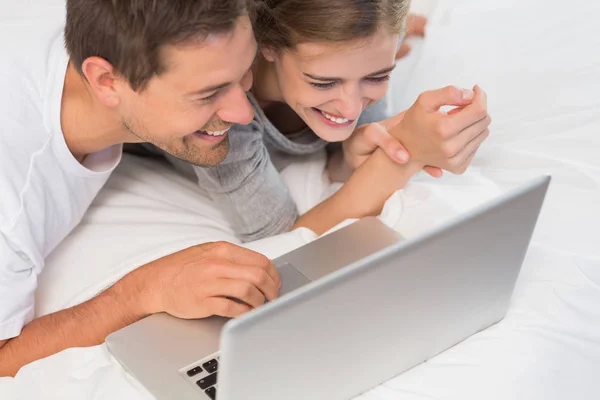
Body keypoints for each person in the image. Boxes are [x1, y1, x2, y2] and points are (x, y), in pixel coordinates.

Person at [0, 0, 282, 377]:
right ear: (106, 81)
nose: (244, 113)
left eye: (244, 73)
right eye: (207, 93)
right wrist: (142, 291)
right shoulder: (12, 191)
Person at [162, 0, 491, 241]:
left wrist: (352, 154)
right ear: (268, 46)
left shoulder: (362, 48)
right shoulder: (224, 116)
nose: (350, 107)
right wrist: (408, 155)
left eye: (378, 76)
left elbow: (341, 153)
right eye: (323, 83)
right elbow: (283, 238)